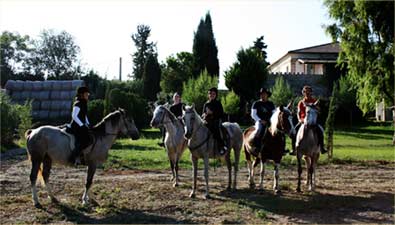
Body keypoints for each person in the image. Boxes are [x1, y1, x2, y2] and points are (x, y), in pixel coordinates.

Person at [290, 85, 327, 155]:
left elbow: (319, 111)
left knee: (320, 131)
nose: (307, 93)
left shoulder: (314, 101)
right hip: (303, 121)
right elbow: (298, 113)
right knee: (294, 131)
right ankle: (294, 149)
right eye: (305, 92)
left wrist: (315, 107)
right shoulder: (301, 102)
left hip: (313, 121)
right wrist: (300, 120)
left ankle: (322, 147)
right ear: (303, 93)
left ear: (311, 92)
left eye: (309, 92)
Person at [68, 86, 91, 164]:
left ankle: (84, 157)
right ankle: (73, 157)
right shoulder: (78, 103)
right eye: (86, 94)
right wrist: (82, 125)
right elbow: (74, 116)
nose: (88, 95)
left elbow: (84, 115)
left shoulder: (84, 103)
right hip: (76, 126)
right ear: (81, 95)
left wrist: (88, 124)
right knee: (83, 140)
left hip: (81, 125)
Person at [202, 87, 227, 155]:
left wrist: (212, 113)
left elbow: (221, 114)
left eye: (213, 94)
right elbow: (203, 113)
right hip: (207, 121)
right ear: (208, 95)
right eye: (210, 93)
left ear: (216, 95)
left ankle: (222, 146)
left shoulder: (218, 103)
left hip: (216, 120)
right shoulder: (206, 104)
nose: (211, 95)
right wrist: (204, 115)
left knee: (216, 129)